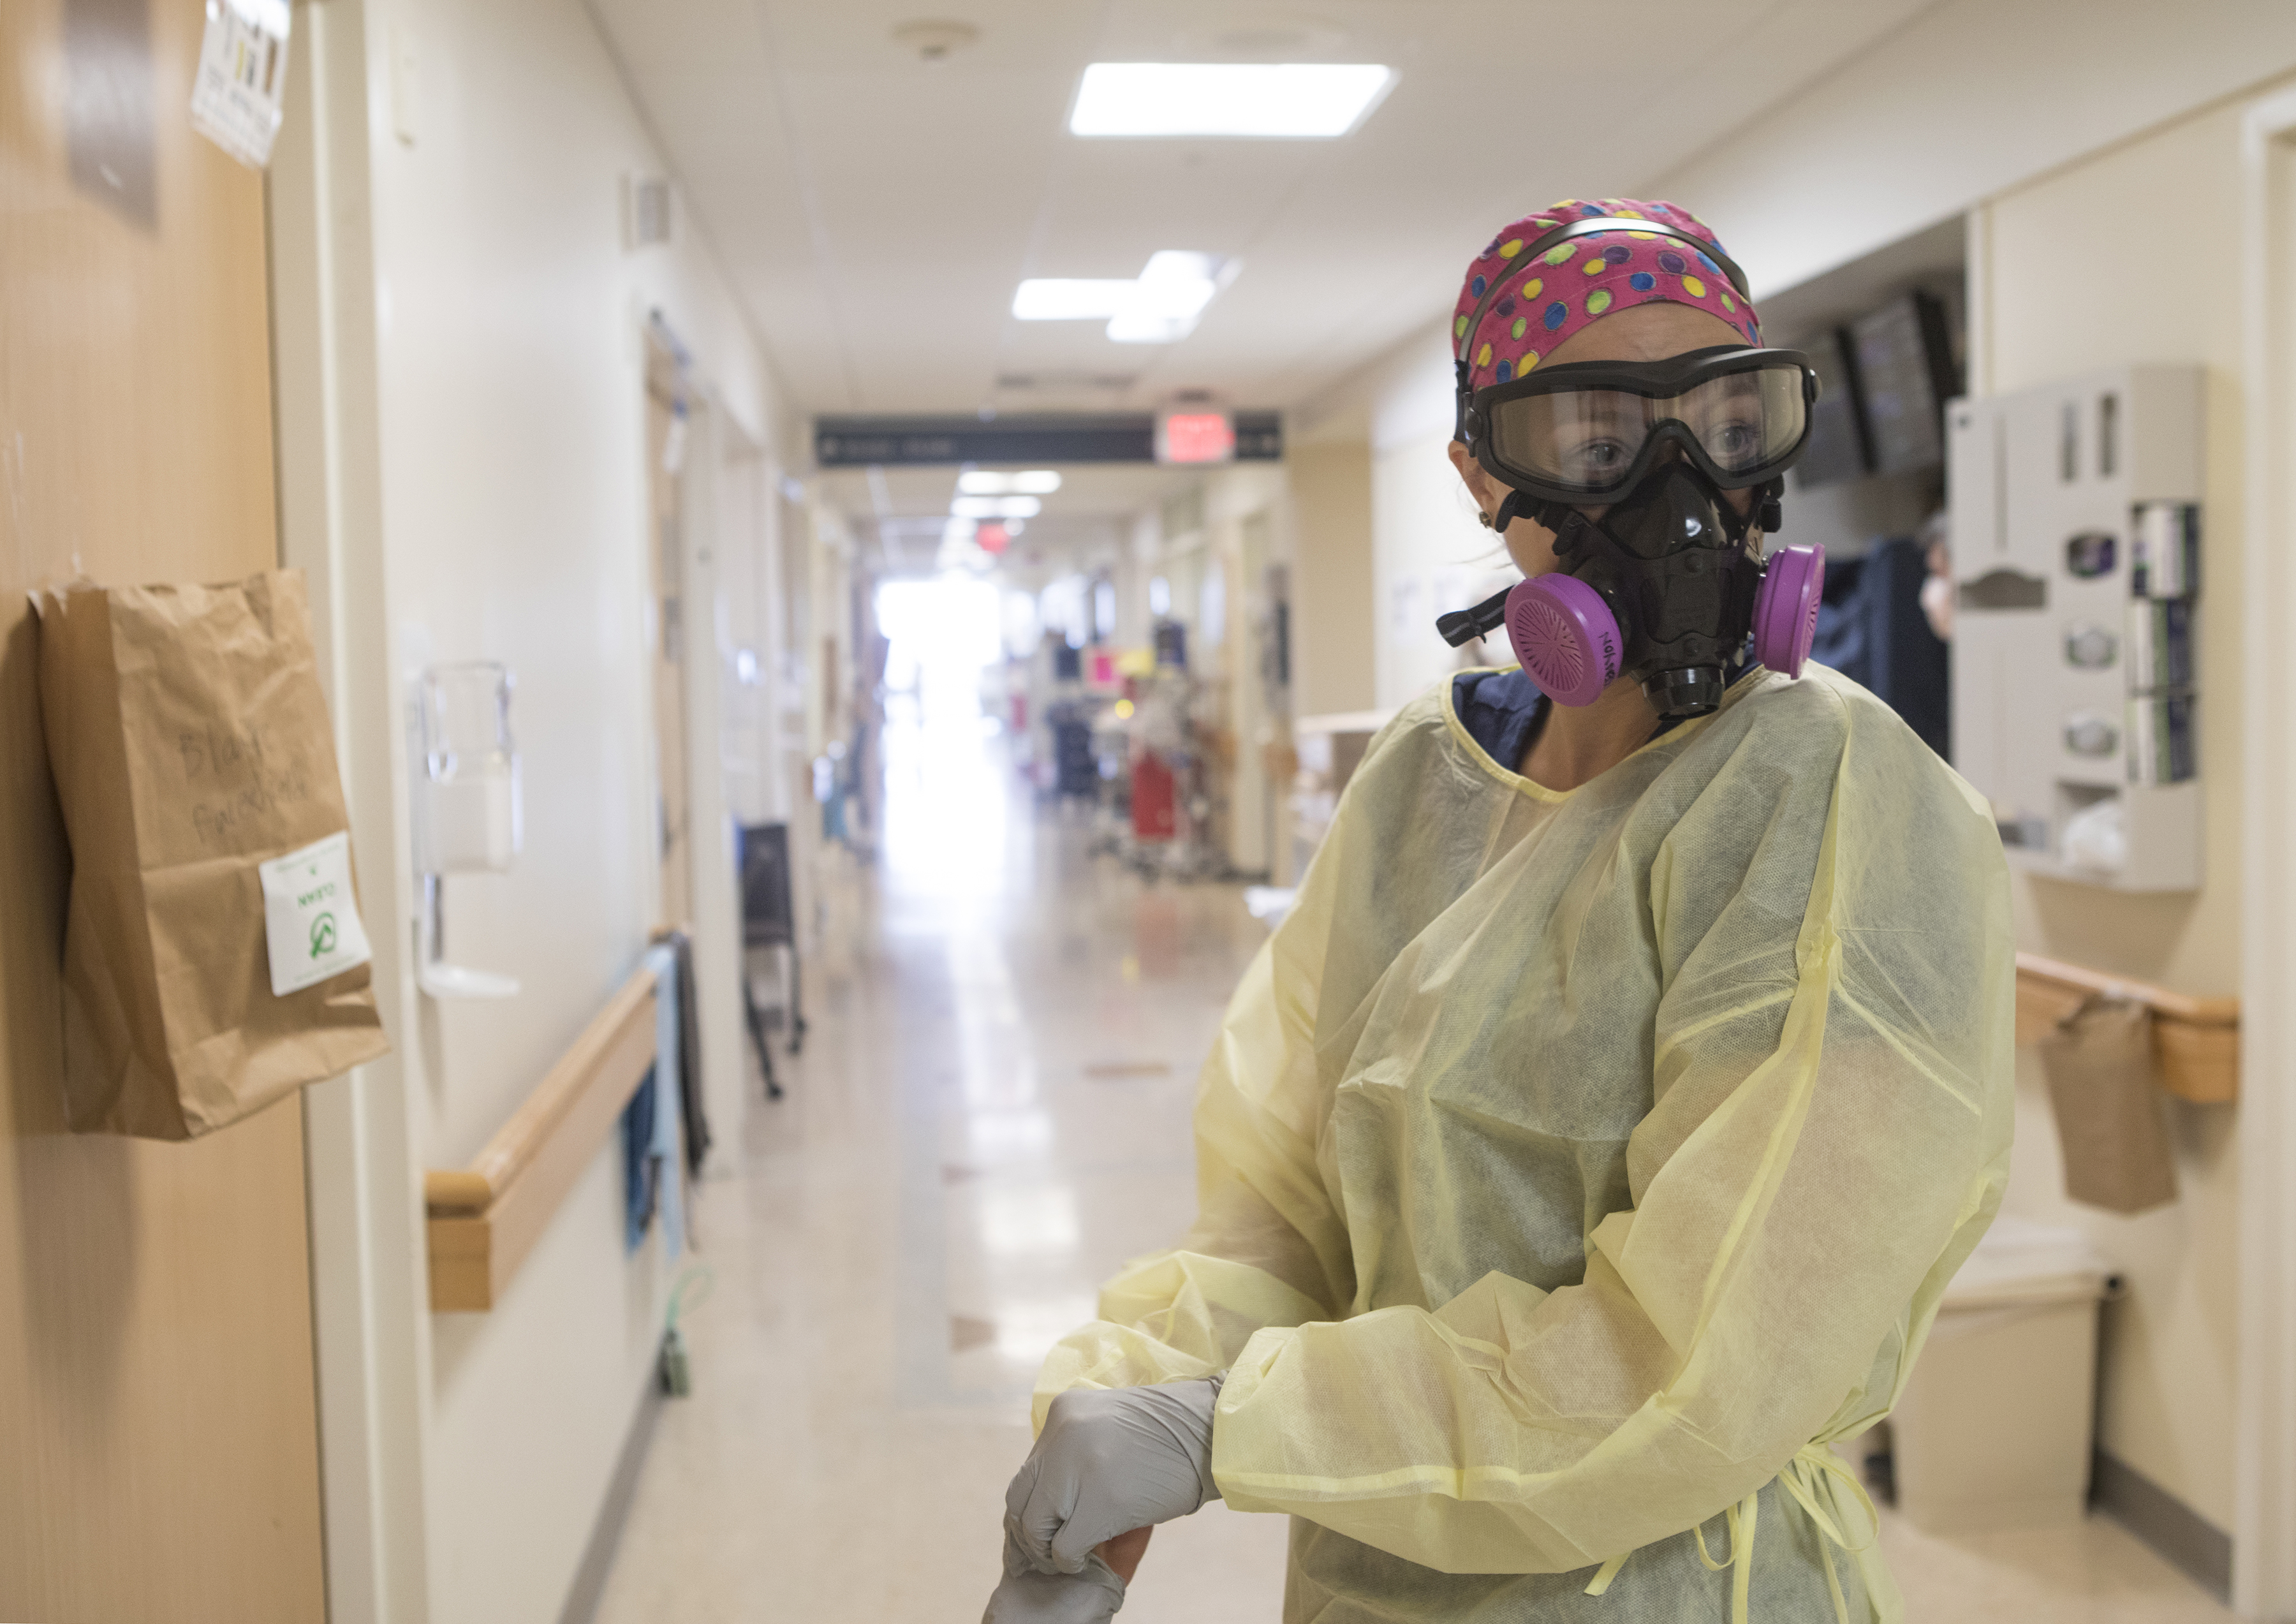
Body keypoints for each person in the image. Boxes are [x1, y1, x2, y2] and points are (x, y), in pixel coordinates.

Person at [983, 198, 2014, 1624]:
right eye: (1597, 438)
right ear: (1482, 473)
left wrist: (1231, 1427)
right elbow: (1289, 1212)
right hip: (1372, 1580)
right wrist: (1130, 1397)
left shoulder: (1834, 798)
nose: (1679, 490)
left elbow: (1693, 1369)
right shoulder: (1431, 772)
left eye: (1725, 423)